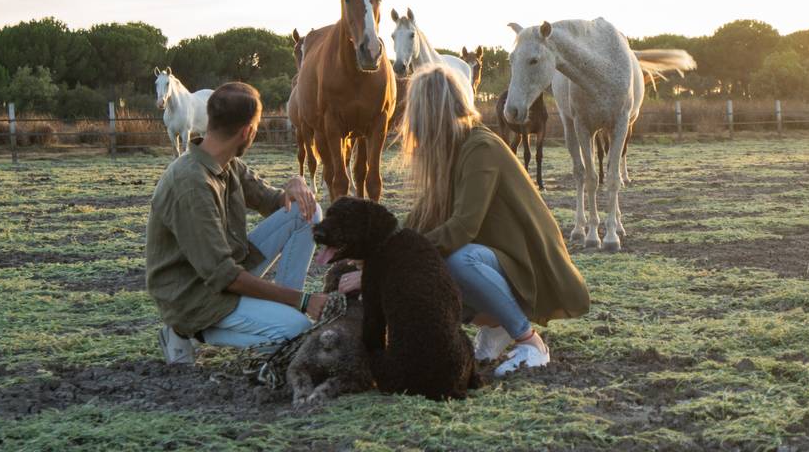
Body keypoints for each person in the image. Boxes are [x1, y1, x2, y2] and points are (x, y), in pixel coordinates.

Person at [342, 64, 590, 376]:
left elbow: (462, 228)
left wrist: (388, 262)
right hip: (500, 259)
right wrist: (373, 258)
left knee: (457, 260)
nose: (410, 124)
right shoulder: (453, 150)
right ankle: (498, 323)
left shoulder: (480, 147)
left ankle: (531, 343)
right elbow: (422, 219)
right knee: (436, 258)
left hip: (527, 264)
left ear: (430, 113)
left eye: (415, 113)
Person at [146, 82, 327, 364]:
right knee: (298, 330)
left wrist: (296, 183)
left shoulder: (226, 161)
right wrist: (302, 300)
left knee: (307, 211)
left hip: (223, 270)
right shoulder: (192, 184)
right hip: (193, 296)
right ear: (248, 132)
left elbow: (271, 200)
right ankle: (185, 332)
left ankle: (285, 314)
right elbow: (223, 276)